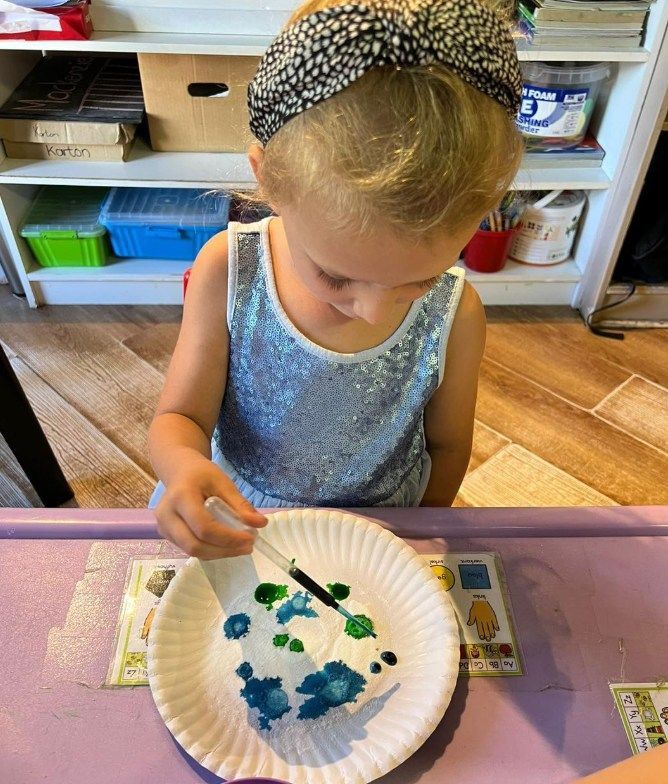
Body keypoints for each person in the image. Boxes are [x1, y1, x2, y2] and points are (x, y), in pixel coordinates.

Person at [149, 0, 524, 558]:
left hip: (382, 527)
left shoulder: (457, 314)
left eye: (419, 280)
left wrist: (416, 537)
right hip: (244, 512)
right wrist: (182, 466)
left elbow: (446, 448)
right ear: (268, 182)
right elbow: (180, 416)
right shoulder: (227, 269)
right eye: (335, 275)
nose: (373, 311)